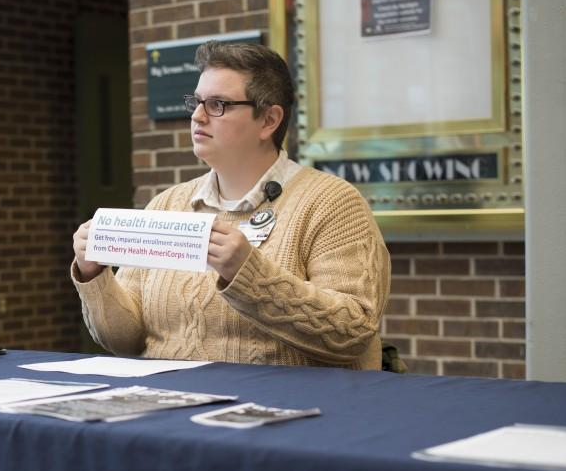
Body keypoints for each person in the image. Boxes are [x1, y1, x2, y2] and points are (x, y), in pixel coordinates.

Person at [71, 41, 390, 370]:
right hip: (169, 404)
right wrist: (94, 275)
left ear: (268, 120)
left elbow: (352, 333)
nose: (197, 116)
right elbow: (126, 341)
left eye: (218, 104)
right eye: (196, 103)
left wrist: (249, 275)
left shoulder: (332, 203)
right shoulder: (166, 204)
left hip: (285, 411)